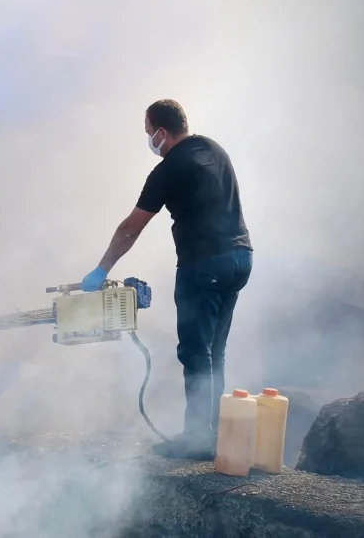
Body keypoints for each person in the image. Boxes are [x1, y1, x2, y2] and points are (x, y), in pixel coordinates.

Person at [80, 99, 253, 460]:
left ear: (161, 131)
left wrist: (102, 269)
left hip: (204, 265)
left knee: (195, 351)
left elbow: (131, 228)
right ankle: (214, 434)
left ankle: (197, 439)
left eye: (148, 132)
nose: (149, 140)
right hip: (240, 259)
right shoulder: (213, 149)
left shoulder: (169, 169)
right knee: (215, 350)